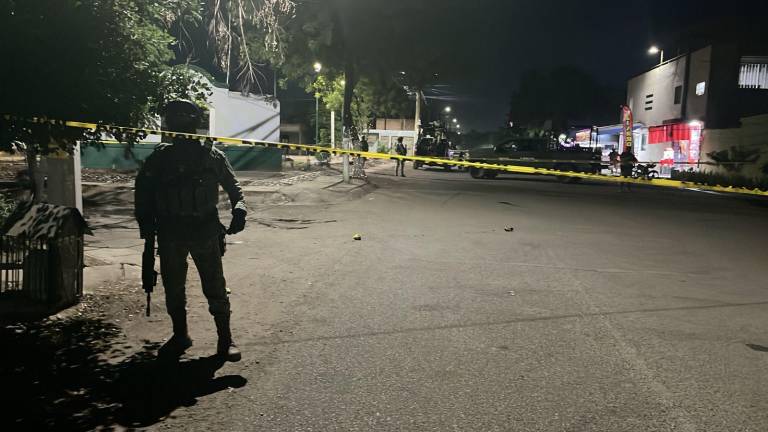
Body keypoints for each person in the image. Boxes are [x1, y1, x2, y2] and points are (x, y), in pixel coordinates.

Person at [135, 100, 247, 362]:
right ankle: (180, 335)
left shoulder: (211, 156)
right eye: (174, 120)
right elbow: (143, 194)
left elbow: (234, 187)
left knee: (215, 286)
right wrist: (146, 228)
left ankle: (225, 338)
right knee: (173, 288)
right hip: (170, 233)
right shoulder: (160, 159)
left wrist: (239, 209)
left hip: (204, 231)